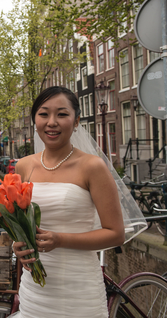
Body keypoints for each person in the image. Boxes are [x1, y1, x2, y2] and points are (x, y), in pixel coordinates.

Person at [11, 86, 126, 317]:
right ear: (35, 120)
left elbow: (116, 233)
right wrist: (18, 245)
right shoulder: (23, 166)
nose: (51, 122)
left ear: (76, 122)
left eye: (62, 114)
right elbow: (21, 223)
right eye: (44, 114)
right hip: (34, 291)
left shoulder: (92, 167)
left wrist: (60, 239)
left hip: (77, 289)